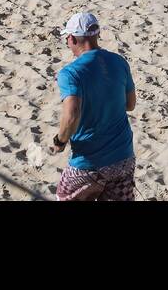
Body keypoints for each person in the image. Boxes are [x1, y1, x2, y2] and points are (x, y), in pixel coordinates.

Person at [49, 12, 137, 201]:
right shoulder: (119, 62)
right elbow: (130, 105)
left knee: (64, 196)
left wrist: (60, 141)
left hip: (88, 164)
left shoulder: (70, 73)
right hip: (123, 159)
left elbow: (71, 115)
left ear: (71, 38)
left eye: (67, 39)